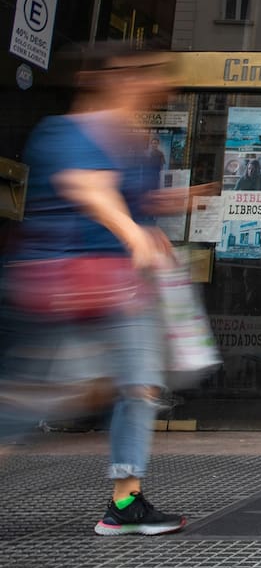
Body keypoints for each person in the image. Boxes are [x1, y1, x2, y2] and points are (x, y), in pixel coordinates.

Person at [0, 44, 188, 535]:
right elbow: (88, 189)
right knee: (35, 398)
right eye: (141, 72)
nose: (154, 82)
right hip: (69, 285)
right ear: (107, 79)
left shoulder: (137, 142)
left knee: (139, 386)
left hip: (122, 288)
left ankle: (125, 503)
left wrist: (166, 212)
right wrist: (132, 233)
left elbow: (135, 202)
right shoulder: (68, 131)